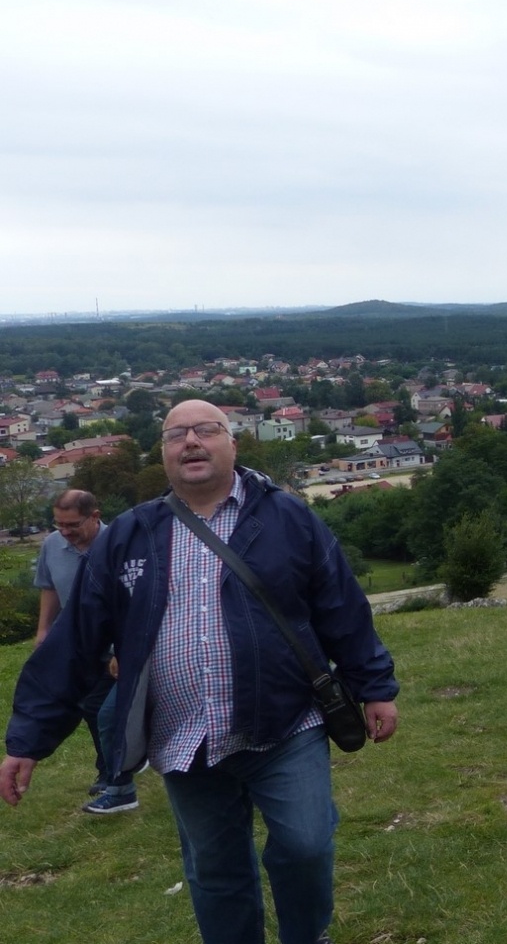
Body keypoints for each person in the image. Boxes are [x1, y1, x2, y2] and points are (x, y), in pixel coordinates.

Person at [3, 400, 399, 944]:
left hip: (286, 725)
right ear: (164, 454)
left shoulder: (285, 517)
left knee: (307, 845)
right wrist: (28, 739)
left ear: (232, 443)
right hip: (184, 738)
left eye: (206, 430)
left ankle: (307, 935)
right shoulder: (131, 536)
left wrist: (374, 686)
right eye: (176, 435)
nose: (191, 441)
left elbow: (341, 608)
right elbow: (75, 644)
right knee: (216, 873)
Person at [32, 489, 141, 814]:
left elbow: (137, 601)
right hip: (81, 644)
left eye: (73, 525)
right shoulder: (53, 544)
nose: (65, 531)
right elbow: (49, 586)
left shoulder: (119, 545)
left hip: (119, 647)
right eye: (59, 524)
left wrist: (125, 650)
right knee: (89, 708)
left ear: (95, 516)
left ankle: (120, 778)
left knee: (103, 710)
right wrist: (43, 630)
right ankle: (109, 768)